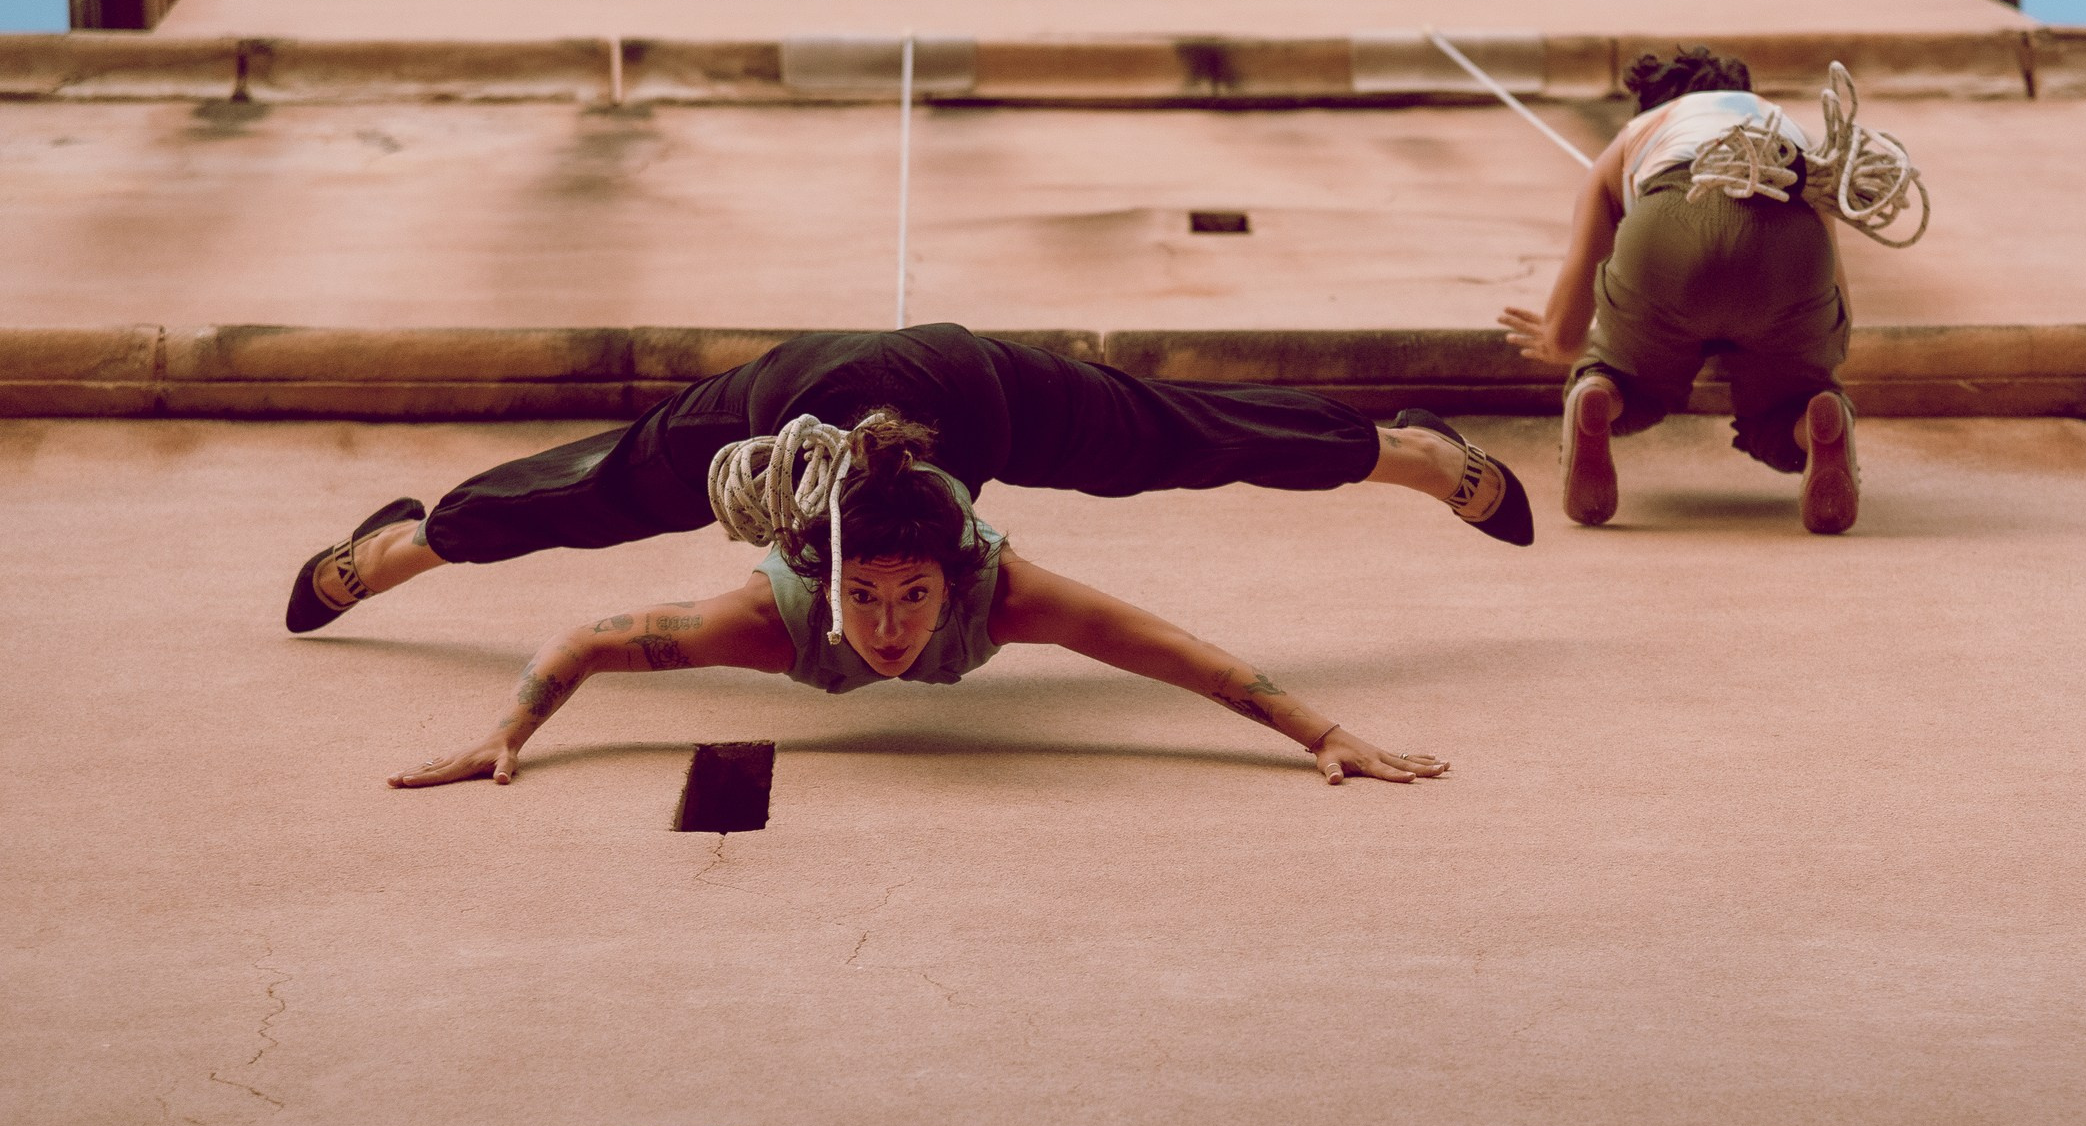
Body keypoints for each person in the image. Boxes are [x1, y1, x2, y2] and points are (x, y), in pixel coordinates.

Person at [286, 323, 1529, 786]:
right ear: (819, 579)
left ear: (957, 578)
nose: (887, 627)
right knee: (592, 490)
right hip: (775, 413)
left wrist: (1326, 737)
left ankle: (1411, 452)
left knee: (1174, 434)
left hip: (965, 388)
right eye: (875, 602)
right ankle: (388, 550)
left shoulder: (1001, 589)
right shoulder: (794, 606)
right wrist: (511, 727)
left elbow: (1189, 661)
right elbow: (583, 643)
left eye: (909, 601)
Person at [1499, 48, 1922, 535]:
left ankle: (1600, 394)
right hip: (1788, 247)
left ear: (1651, 103)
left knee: (1619, 376)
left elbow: (1567, 330)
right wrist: (1803, 360)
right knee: (1793, 401)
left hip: (1664, 231)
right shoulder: (1786, 132)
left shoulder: (1638, 134)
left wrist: (1566, 343)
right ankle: (1813, 417)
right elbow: (1836, 304)